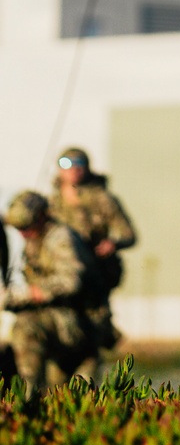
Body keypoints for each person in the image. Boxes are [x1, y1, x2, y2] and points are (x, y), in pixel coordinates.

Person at [2, 191, 101, 393]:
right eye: (19, 228)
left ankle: (28, 396)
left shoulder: (60, 238)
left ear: (40, 217)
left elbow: (71, 282)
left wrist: (28, 294)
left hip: (76, 321)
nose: (23, 233)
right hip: (59, 320)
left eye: (26, 226)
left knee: (26, 326)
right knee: (58, 388)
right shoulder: (36, 239)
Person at [48, 146, 136, 357]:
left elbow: (129, 234)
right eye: (66, 164)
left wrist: (112, 244)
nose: (73, 170)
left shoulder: (102, 199)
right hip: (61, 271)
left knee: (94, 328)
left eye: (79, 164)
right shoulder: (52, 202)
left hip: (94, 273)